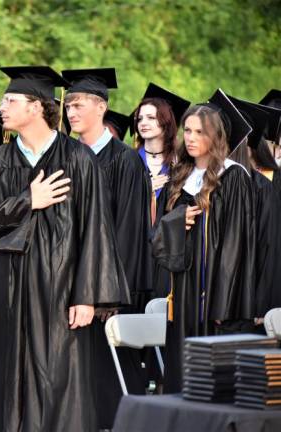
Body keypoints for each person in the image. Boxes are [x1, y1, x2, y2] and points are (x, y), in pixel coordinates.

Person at [0, 65, 129, 432]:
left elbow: (96, 228)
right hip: (11, 289)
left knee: (62, 380)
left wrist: (88, 295)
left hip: (63, 292)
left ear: (38, 107)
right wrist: (28, 200)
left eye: (10, 100)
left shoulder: (78, 158)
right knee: (12, 383)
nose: (1, 106)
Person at [63, 67, 152, 427]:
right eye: (68, 105)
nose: (71, 112)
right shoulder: (64, 156)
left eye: (79, 104)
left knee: (109, 376)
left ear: (101, 107)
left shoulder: (125, 161)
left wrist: (108, 293)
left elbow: (130, 231)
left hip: (107, 292)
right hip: (68, 287)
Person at [152, 89, 256, 393]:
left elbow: (236, 246)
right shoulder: (178, 178)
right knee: (181, 370)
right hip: (182, 291)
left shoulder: (232, 177)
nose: (192, 137)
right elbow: (155, 235)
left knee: (210, 378)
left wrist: (223, 304)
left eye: (200, 132)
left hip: (214, 294)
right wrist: (175, 223)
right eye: (188, 130)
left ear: (216, 136)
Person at [229, 96, 281, 329]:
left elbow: (269, 247)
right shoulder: (218, 182)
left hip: (254, 296)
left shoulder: (264, 186)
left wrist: (263, 305)